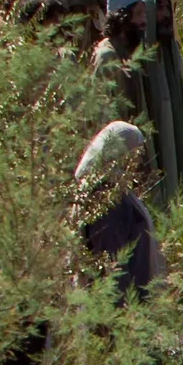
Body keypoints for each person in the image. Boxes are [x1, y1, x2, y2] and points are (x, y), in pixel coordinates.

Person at [95, 0, 183, 205]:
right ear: (122, 18)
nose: (144, 21)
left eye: (144, 15)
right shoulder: (108, 55)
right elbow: (107, 111)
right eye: (138, 15)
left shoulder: (131, 50)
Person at [76, 120, 162, 299]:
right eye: (135, 152)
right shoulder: (107, 201)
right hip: (123, 308)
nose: (138, 161)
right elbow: (114, 262)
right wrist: (124, 315)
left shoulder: (116, 190)